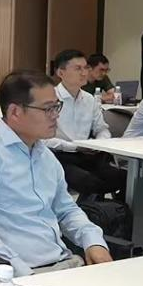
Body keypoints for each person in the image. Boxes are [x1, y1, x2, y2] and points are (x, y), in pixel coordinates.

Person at [0, 71, 113, 276]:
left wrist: (93, 242)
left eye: (57, 106)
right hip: (18, 272)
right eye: (48, 109)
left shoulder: (45, 155)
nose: (56, 115)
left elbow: (66, 210)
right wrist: (22, 272)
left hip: (62, 263)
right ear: (15, 112)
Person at [47, 49, 126, 198]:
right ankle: (89, 208)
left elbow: (102, 129)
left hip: (88, 154)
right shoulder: (50, 98)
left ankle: (112, 211)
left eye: (86, 68)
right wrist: (74, 146)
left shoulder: (90, 99)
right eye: (78, 68)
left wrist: (99, 143)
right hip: (59, 155)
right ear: (61, 73)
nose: (84, 73)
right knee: (88, 181)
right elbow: (41, 139)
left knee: (123, 177)